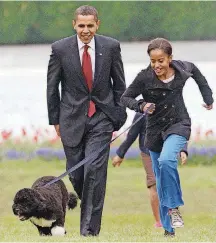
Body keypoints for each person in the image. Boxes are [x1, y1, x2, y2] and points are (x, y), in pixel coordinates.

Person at [120, 38, 213, 237]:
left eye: (161, 60)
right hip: (154, 132)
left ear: (170, 58)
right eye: (153, 61)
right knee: (160, 179)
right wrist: (142, 105)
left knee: (167, 160)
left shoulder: (181, 69)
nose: (157, 65)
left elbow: (196, 71)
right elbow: (125, 98)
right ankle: (169, 231)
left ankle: (174, 208)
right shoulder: (144, 78)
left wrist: (208, 97)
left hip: (178, 124)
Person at [46, 5, 127, 236]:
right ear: (74, 25)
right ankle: (90, 201)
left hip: (102, 117)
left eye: (90, 25)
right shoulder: (60, 49)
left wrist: (118, 115)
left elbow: (119, 84)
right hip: (70, 119)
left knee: (94, 170)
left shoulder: (111, 47)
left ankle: (89, 232)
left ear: (97, 24)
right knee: (77, 173)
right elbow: (52, 87)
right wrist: (55, 120)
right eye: (81, 25)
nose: (85, 30)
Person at [112, 112, 188, 229]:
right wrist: (120, 154)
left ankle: (172, 214)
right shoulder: (142, 113)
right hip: (148, 152)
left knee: (167, 182)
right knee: (154, 183)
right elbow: (132, 135)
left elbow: (179, 130)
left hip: (167, 152)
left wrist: (183, 149)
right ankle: (159, 222)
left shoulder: (172, 107)